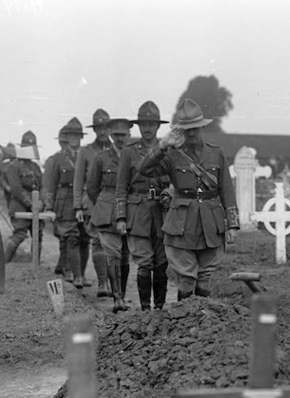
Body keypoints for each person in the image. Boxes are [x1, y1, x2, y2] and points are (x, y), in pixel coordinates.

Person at [137, 97, 239, 300]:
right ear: (181, 130)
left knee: (205, 275)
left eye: (196, 128)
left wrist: (233, 224)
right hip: (182, 224)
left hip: (211, 222)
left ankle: (203, 319)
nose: (192, 133)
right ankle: (184, 319)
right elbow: (144, 169)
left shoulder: (216, 153)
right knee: (186, 277)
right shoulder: (172, 154)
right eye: (187, 129)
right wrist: (162, 145)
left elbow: (226, 190)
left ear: (202, 127)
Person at [114, 101, 171, 311]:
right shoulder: (129, 152)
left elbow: (175, 181)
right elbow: (121, 187)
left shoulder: (168, 149)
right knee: (144, 262)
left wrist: (169, 194)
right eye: (143, 124)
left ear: (158, 126)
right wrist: (120, 217)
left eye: (151, 124)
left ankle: (161, 308)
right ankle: (146, 310)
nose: (147, 128)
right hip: (138, 213)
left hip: (162, 212)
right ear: (138, 126)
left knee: (162, 262)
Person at [87, 118, 132, 313]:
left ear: (129, 135)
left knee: (124, 255)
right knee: (112, 253)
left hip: (129, 210)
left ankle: (121, 294)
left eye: (123, 135)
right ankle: (118, 298)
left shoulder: (134, 156)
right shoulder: (101, 159)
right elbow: (92, 188)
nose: (120, 139)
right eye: (116, 136)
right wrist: (105, 203)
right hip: (106, 211)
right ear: (111, 137)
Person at [44, 117, 90, 288]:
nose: (73, 138)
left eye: (76, 135)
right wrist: (49, 206)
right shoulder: (57, 159)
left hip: (84, 199)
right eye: (70, 135)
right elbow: (51, 185)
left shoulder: (87, 154)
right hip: (65, 200)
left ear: (80, 137)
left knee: (85, 238)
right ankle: (75, 275)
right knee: (71, 238)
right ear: (66, 137)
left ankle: (82, 274)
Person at [74, 108, 113, 297]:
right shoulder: (86, 151)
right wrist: (77, 206)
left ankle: (116, 286)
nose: (103, 132)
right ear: (95, 130)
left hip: (115, 203)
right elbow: (78, 179)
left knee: (115, 245)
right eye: (99, 128)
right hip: (92, 202)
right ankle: (103, 283)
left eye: (106, 127)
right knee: (97, 241)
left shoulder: (119, 150)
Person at [3, 131, 45, 263]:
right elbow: (16, 189)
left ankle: (35, 267)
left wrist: (41, 202)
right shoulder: (13, 167)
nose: (30, 151)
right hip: (20, 205)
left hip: (36, 205)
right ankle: (3, 264)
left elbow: (42, 186)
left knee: (38, 236)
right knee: (20, 235)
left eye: (32, 149)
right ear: (22, 149)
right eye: (27, 148)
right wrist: (31, 203)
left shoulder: (36, 167)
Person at [45, 126, 69, 277]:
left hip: (79, 201)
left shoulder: (80, 156)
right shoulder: (54, 160)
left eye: (67, 141)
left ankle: (68, 267)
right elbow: (50, 185)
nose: (65, 144)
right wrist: (49, 206)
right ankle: (64, 265)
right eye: (63, 141)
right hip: (62, 202)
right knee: (63, 236)